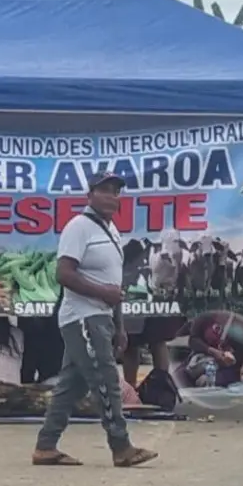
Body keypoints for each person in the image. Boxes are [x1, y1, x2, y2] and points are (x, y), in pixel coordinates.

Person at [31, 170, 157, 468]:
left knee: (71, 386)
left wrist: (120, 325)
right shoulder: (79, 227)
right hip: (83, 318)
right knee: (106, 380)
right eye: (105, 190)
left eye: (116, 192)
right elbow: (64, 273)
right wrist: (103, 294)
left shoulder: (111, 231)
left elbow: (113, 284)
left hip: (102, 317)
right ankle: (121, 446)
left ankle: (45, 447)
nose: (112, 197)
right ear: (89, 194)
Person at [184, 310, 243, 386]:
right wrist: (211, 351)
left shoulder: (242, 315)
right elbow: (193, 340)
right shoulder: (204, 316)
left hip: (231, 369)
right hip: (205, 363)